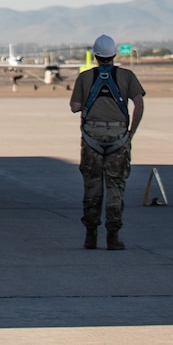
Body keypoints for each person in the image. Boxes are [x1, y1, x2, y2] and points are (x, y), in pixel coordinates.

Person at [69, 33, 145, 249]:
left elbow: (74, 107)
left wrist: (91, 105)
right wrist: (130, 134)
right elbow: (139, 105)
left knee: (92, 186)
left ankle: (90, 236)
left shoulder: (84, 77)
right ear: (113, 54)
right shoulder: (127, 76)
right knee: (115, 186)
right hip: (119, 138)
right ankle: (113, 237)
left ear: (95, 56)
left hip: (91, 137)